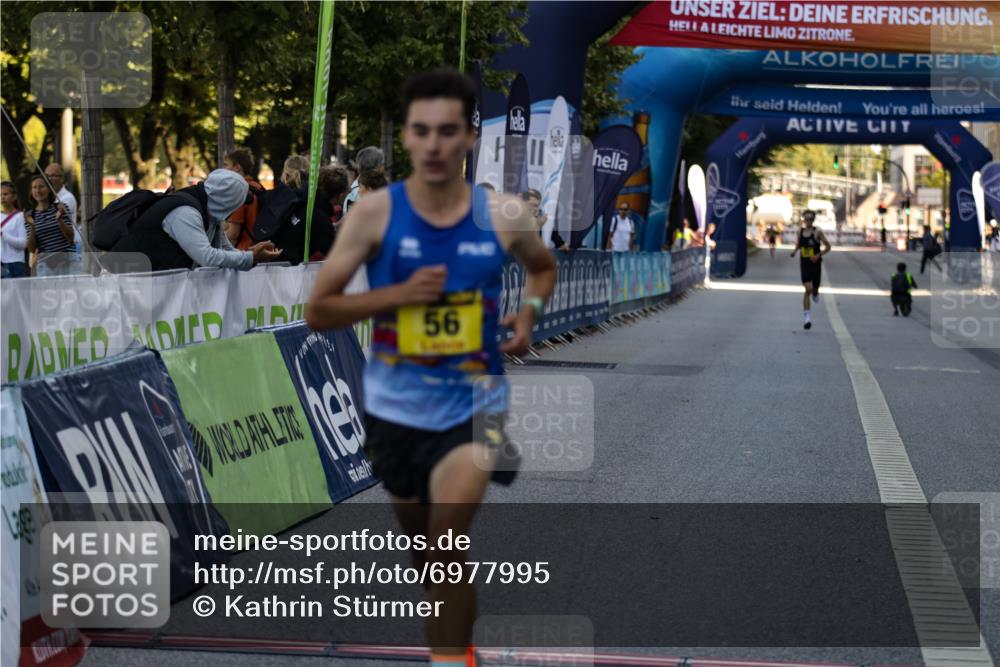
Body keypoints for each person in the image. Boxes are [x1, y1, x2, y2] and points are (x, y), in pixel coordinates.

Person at [306, 68, 556, 666]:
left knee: (446, 540)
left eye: (448, 131)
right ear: (408, 139)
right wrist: (396, 296)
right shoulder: (374, 216)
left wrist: (528, 317)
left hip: (476, 403)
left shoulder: (503, 214)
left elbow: (542, 268)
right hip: (394, 410)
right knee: (426, 553)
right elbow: (318, 309)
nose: (435, 144)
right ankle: (459, 648)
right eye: (422, 131)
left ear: (470, 137)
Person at [108, 169, 281, 271]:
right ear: (226, 202)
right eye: (236, 203)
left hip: (144, 281)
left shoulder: (209, 210)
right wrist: (250, 258)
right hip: (125, 281)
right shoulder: (185, 213)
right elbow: (207, 256)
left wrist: (251, 256)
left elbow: (223, 248)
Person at [25, 175, 77, 276]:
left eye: (41, 187)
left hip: (67, 262)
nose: (37, 191)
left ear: (49, 189)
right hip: (45, 265)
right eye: (34, 187)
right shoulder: (30, 215)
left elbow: (71, 237)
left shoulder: (61, 208)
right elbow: (32, 249)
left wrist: (60, 220)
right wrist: (32, 226)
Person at [790, 209, 831, 330]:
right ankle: (807, 318)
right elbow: (799, 244)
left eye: (810, 219)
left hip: (815, 263)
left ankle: (816, 292)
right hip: (804, 263)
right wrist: (794, 251)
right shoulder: (800, 232)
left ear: (813, 220)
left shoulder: (817, 232)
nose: (808, 221)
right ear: (803, 219)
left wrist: (818, 255)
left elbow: (828, 246)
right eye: (806, 219)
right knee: (807, 289)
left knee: (814, 289)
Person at [222, 147, 265, 250]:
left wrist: (210, 239)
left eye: (226, 165)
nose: (223, 169)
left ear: (237, 167)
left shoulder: (239, 191)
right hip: (262, 247)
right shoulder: (258, 187)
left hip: (245, 252)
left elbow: (233, 233)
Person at [44, 163, 80, 255]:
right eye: (46, 176)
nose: (49, 179)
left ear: (62, 179)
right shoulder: (46, 198)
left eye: (53, 175)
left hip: (66, 248)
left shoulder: (67, 198)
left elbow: (50, 220)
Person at [343, 146, 385, 216]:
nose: (383, 167)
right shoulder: (357, 194)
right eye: (382, 164)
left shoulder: (354, 192)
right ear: (375, 168)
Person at [1, 181, 28, 278]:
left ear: (14, 196)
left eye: (5, 194)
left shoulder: (20, 216)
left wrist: (3, 235)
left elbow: (23, 243)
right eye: (0, 195)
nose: (2, 197)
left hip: (15, 264)